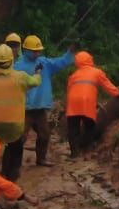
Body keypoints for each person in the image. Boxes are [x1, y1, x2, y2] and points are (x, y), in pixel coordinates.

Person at [14, 34, 74, 169]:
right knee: (20, 136)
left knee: (44, 134)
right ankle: (14, 162)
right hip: (24, 109)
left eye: (38, 50)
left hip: (40, 108)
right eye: (34, 51)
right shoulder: (17, 66)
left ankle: (41, 158)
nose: (37, 53)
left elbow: (60, 62)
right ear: (26, 50)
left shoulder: (44, 63)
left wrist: (69, 53)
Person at [0, 44, 41, 181]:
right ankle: (11, 176)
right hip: (14, 125)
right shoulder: (21, 77)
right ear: (11, 60)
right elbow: (35, 82)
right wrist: (37, 73)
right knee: (16, 146)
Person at [66, 52, 119, 156]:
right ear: (90, 60)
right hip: (87, 101)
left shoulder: (73, 75)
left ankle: (74, 152)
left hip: (73, 101)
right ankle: (87, 148)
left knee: (73, 128)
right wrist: (117, 93)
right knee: (89, 125)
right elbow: (107, 84)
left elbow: (69, 90)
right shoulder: (97, 72)